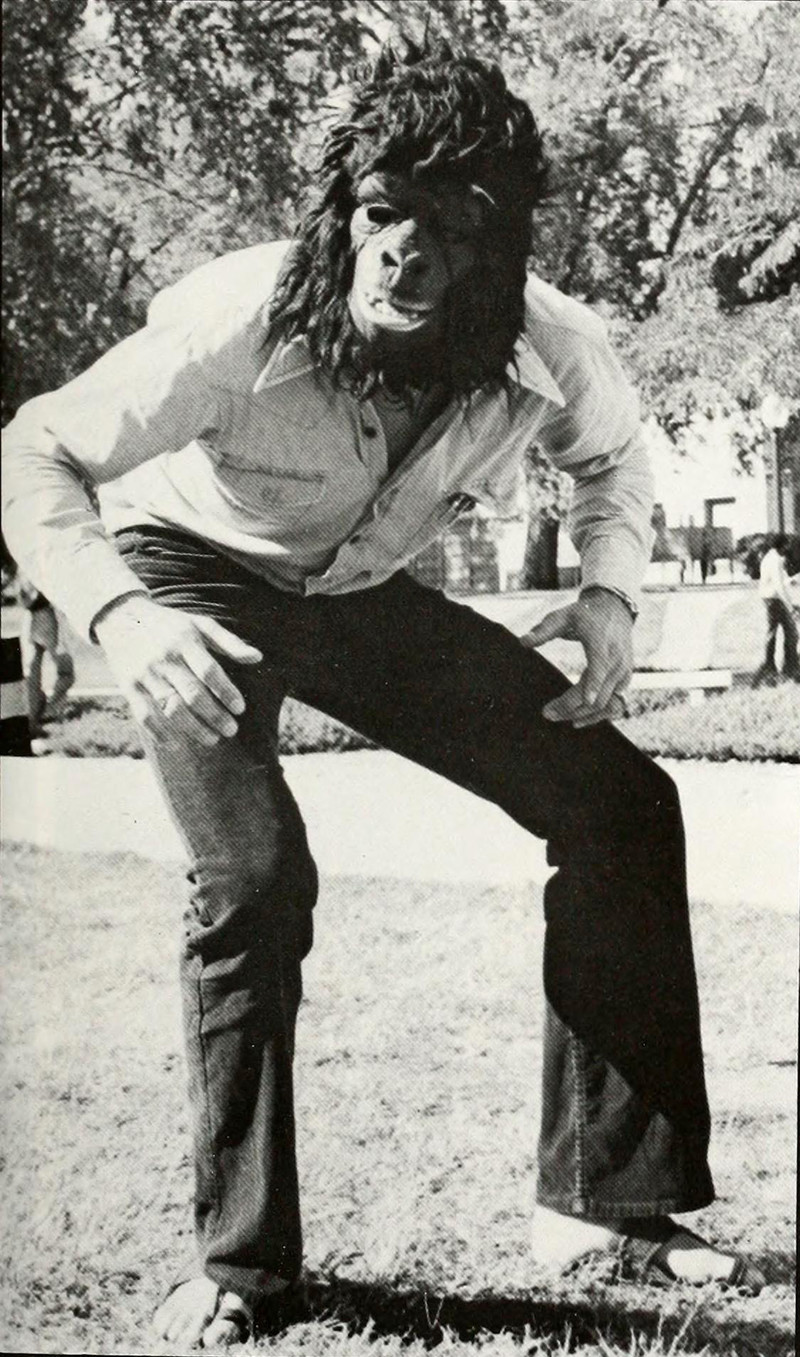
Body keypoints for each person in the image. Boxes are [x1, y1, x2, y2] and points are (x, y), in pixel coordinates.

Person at [2, 38, 764, 1350]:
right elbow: (35, 447)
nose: (403, 256)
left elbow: (614, 466)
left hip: (358, 589)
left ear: (499, 252)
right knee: (253, 874)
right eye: (379, 214)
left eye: (448, 228)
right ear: (341, 213)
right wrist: (121, 614)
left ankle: (610, 1208)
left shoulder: (552, 342)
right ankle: (243, 1265)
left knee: (622, 806)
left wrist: (607, 596)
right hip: (192, 571)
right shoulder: (235, 324)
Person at [16, 578, 75, 736]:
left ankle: (38, 715)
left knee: (33, 674)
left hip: (36, 615)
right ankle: (43, 714)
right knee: (58, 673)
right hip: (43, 615)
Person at [752, 535, 799, 685]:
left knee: (779, 632)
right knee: (790, 633)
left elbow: (779, 581)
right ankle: (788, 666)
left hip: (771, 598)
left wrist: (792, 580)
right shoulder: (775, 560)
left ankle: (774, 666)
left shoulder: (771, 557)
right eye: (787, 545)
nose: (788, 548)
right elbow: (778, 586)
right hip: (774, 600)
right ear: (782, 545)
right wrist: (791, 607)